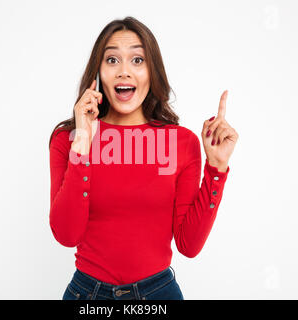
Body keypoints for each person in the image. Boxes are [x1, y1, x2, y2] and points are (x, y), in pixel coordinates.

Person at [48, 16, 238, 300]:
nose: (124, 71)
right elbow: (66, 235)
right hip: (88, 295)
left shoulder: (181, 142)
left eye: (137, 60)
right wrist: (83, 144)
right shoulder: (68, 140)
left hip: (158, 294)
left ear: (152, 71)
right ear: (97, 72)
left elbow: (189, 244)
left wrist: (216, 168)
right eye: (112, 60)